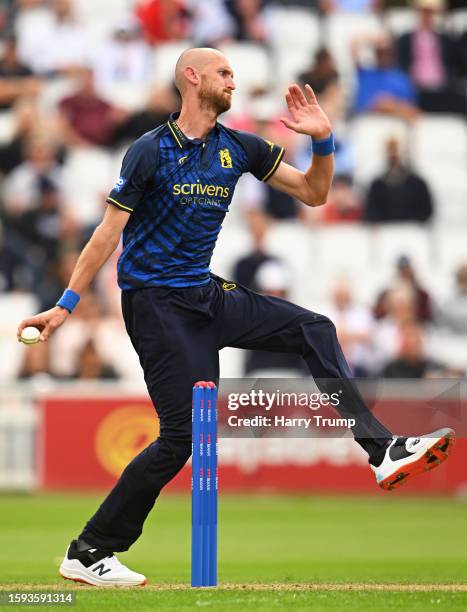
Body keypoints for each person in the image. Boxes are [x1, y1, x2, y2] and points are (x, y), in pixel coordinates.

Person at [17, 48, 455, 587]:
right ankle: (89, 552)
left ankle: (380, 450)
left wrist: (323, 140)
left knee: (312, 327)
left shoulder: (239, 147)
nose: (233, 80)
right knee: (181, 439)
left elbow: (316, 194)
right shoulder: (149, 150)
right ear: (191, 77)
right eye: (223, 72)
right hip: (154, 303)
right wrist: (65, 306)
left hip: (204, 294)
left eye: (234, 73)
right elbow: (107, 233)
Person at [364, 137, 434, 224]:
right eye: (391, 151)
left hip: (412, 233)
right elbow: (371, 212)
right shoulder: (377, 185)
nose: (394, 156)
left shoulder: (418, 184)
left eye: (397, 152)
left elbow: (426, 211)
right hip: (386, 233)